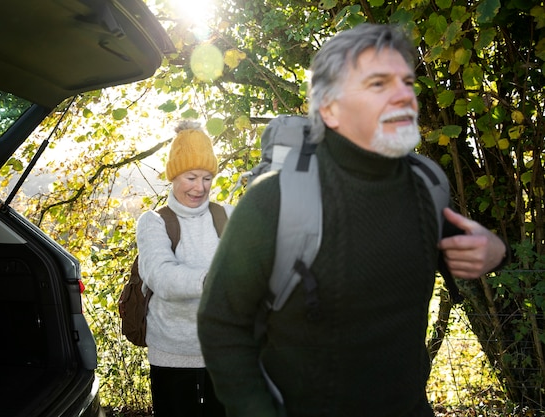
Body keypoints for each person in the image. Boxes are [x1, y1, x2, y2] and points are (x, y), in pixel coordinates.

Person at [197, 23, 508, 417]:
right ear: (329, 108)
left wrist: (498, 250)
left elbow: (468, 254)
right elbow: (221, 323)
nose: (403, 95)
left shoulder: (428, 187)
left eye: (407, 82)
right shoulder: (274, 201)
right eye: (378, 84)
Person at [135, 120, 231, 417]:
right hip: (172, 354)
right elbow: (161, 276)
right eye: (191, 177)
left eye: (206, 178)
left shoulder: (228, 215)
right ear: (174, 175)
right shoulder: (153, 221)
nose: (200, 187)